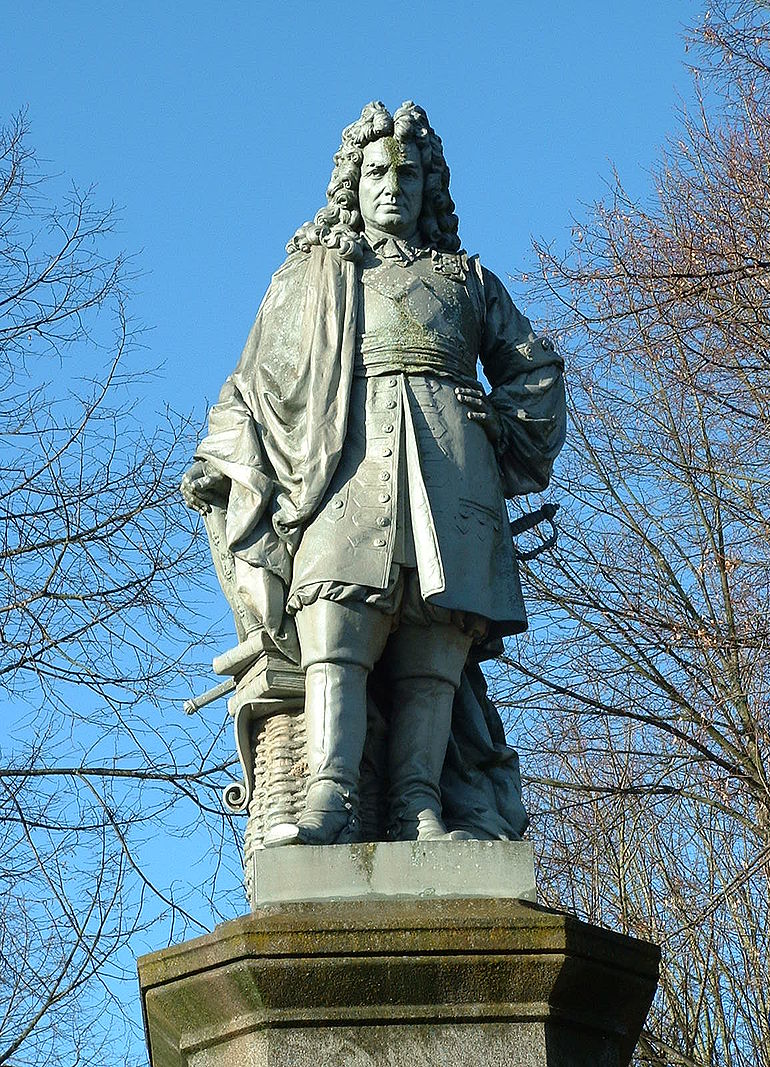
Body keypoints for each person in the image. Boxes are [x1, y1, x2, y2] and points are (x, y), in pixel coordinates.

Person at [181, 101, 566, 845]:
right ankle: (328, 798)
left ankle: (419, 804)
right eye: (376, 170)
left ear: (431, 187)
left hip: (452, 470)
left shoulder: (467, 278)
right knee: (335, 626)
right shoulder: (313, 275)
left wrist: (505, 424)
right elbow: (254, 383)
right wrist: (223, 454)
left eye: (408, 172)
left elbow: (533, 365)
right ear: (351, 184)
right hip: (344, 462)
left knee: (433, 644)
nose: (393, 184)